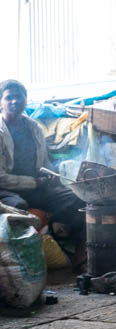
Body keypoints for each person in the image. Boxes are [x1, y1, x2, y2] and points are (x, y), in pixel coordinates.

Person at [0, 79, 84, 241]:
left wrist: (52, 176)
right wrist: (34, 182)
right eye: (9, 97)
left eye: (20, 97)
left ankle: (64, 244)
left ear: (26, 100)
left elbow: (44, 162)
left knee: (76, 198)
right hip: (6, 190)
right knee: (18, 207)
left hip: (35, 187)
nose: (15, 101)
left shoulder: (34, 127)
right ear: (0, 103)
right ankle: (38, 235)